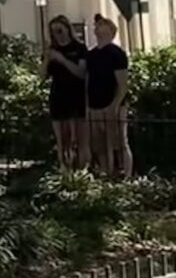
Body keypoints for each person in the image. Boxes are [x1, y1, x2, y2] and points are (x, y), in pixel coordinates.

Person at [86, 15, 132, 178]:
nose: (98, 28)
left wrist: (115, 105)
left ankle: (125, 174)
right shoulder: (91, 55)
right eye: (97, 26)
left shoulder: (117, 54)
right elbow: (87, 80)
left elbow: (122, 83)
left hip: (114, 105)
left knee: (119, 141)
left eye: (103, 25)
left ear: (111, 31)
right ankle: (106, 172)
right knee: (99, 143)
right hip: (94, 105)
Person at [43, 16, 89, 169]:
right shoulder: (53, 51)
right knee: (62, 139)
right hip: (58, 95)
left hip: (76, 96)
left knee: (78, 137)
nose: (58, 35)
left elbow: (81, 73)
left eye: (60, 30)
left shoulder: (79, 48)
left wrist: (62, 60)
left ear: (68, 29)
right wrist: (47, 60)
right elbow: (42, 76)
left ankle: (81, 169)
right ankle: (64, 168)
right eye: (54, 32)